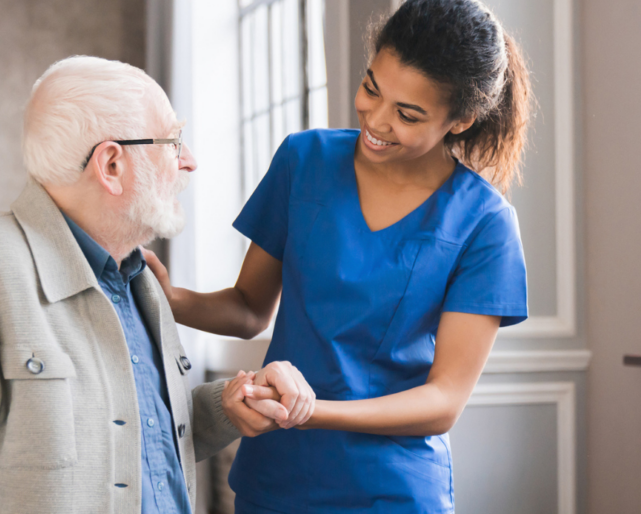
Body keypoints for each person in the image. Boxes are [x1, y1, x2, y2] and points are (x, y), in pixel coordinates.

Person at [0, 56, 314, 514]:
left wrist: (229, 407)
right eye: (172, 141)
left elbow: (136, 435)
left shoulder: (139, 279)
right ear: (111, 165)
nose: (188, 162)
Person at [143, 0, 533, 512]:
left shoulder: (486, 224)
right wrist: (167, 299)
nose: (375, 119)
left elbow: (442, 402)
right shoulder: (303, 160)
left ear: (460, 120)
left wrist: (312, 411)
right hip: (276, 474)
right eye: (372, 87)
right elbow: (247, 309)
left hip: (391, 487)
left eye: (408, 114)